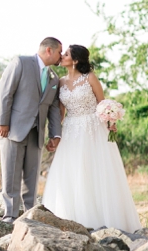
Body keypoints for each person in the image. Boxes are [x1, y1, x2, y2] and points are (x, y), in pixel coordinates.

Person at [41, 44, 141, 231]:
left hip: (93, 129)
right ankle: (76, 219)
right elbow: (61, 114)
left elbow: (102, 103)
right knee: (73, 172)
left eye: (67, 54)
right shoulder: (60, 82)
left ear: (76, 60)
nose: (62, 56)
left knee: (96, 171)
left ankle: (105, 220)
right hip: (71, 130)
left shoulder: (90, 78)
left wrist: (111, 119)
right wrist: (54, 136)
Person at [0, 37, 63, 222]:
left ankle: (30, 215)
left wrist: (55, 134)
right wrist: (2, 122)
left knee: (31, 179)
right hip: (13, 129)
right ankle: (9, 214)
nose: (61, 56)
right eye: (59, 52)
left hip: (36, 133)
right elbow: (4, 92)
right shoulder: (21, 62)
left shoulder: (54, 78)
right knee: (11, 174)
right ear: (49, 50)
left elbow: (54, 108)